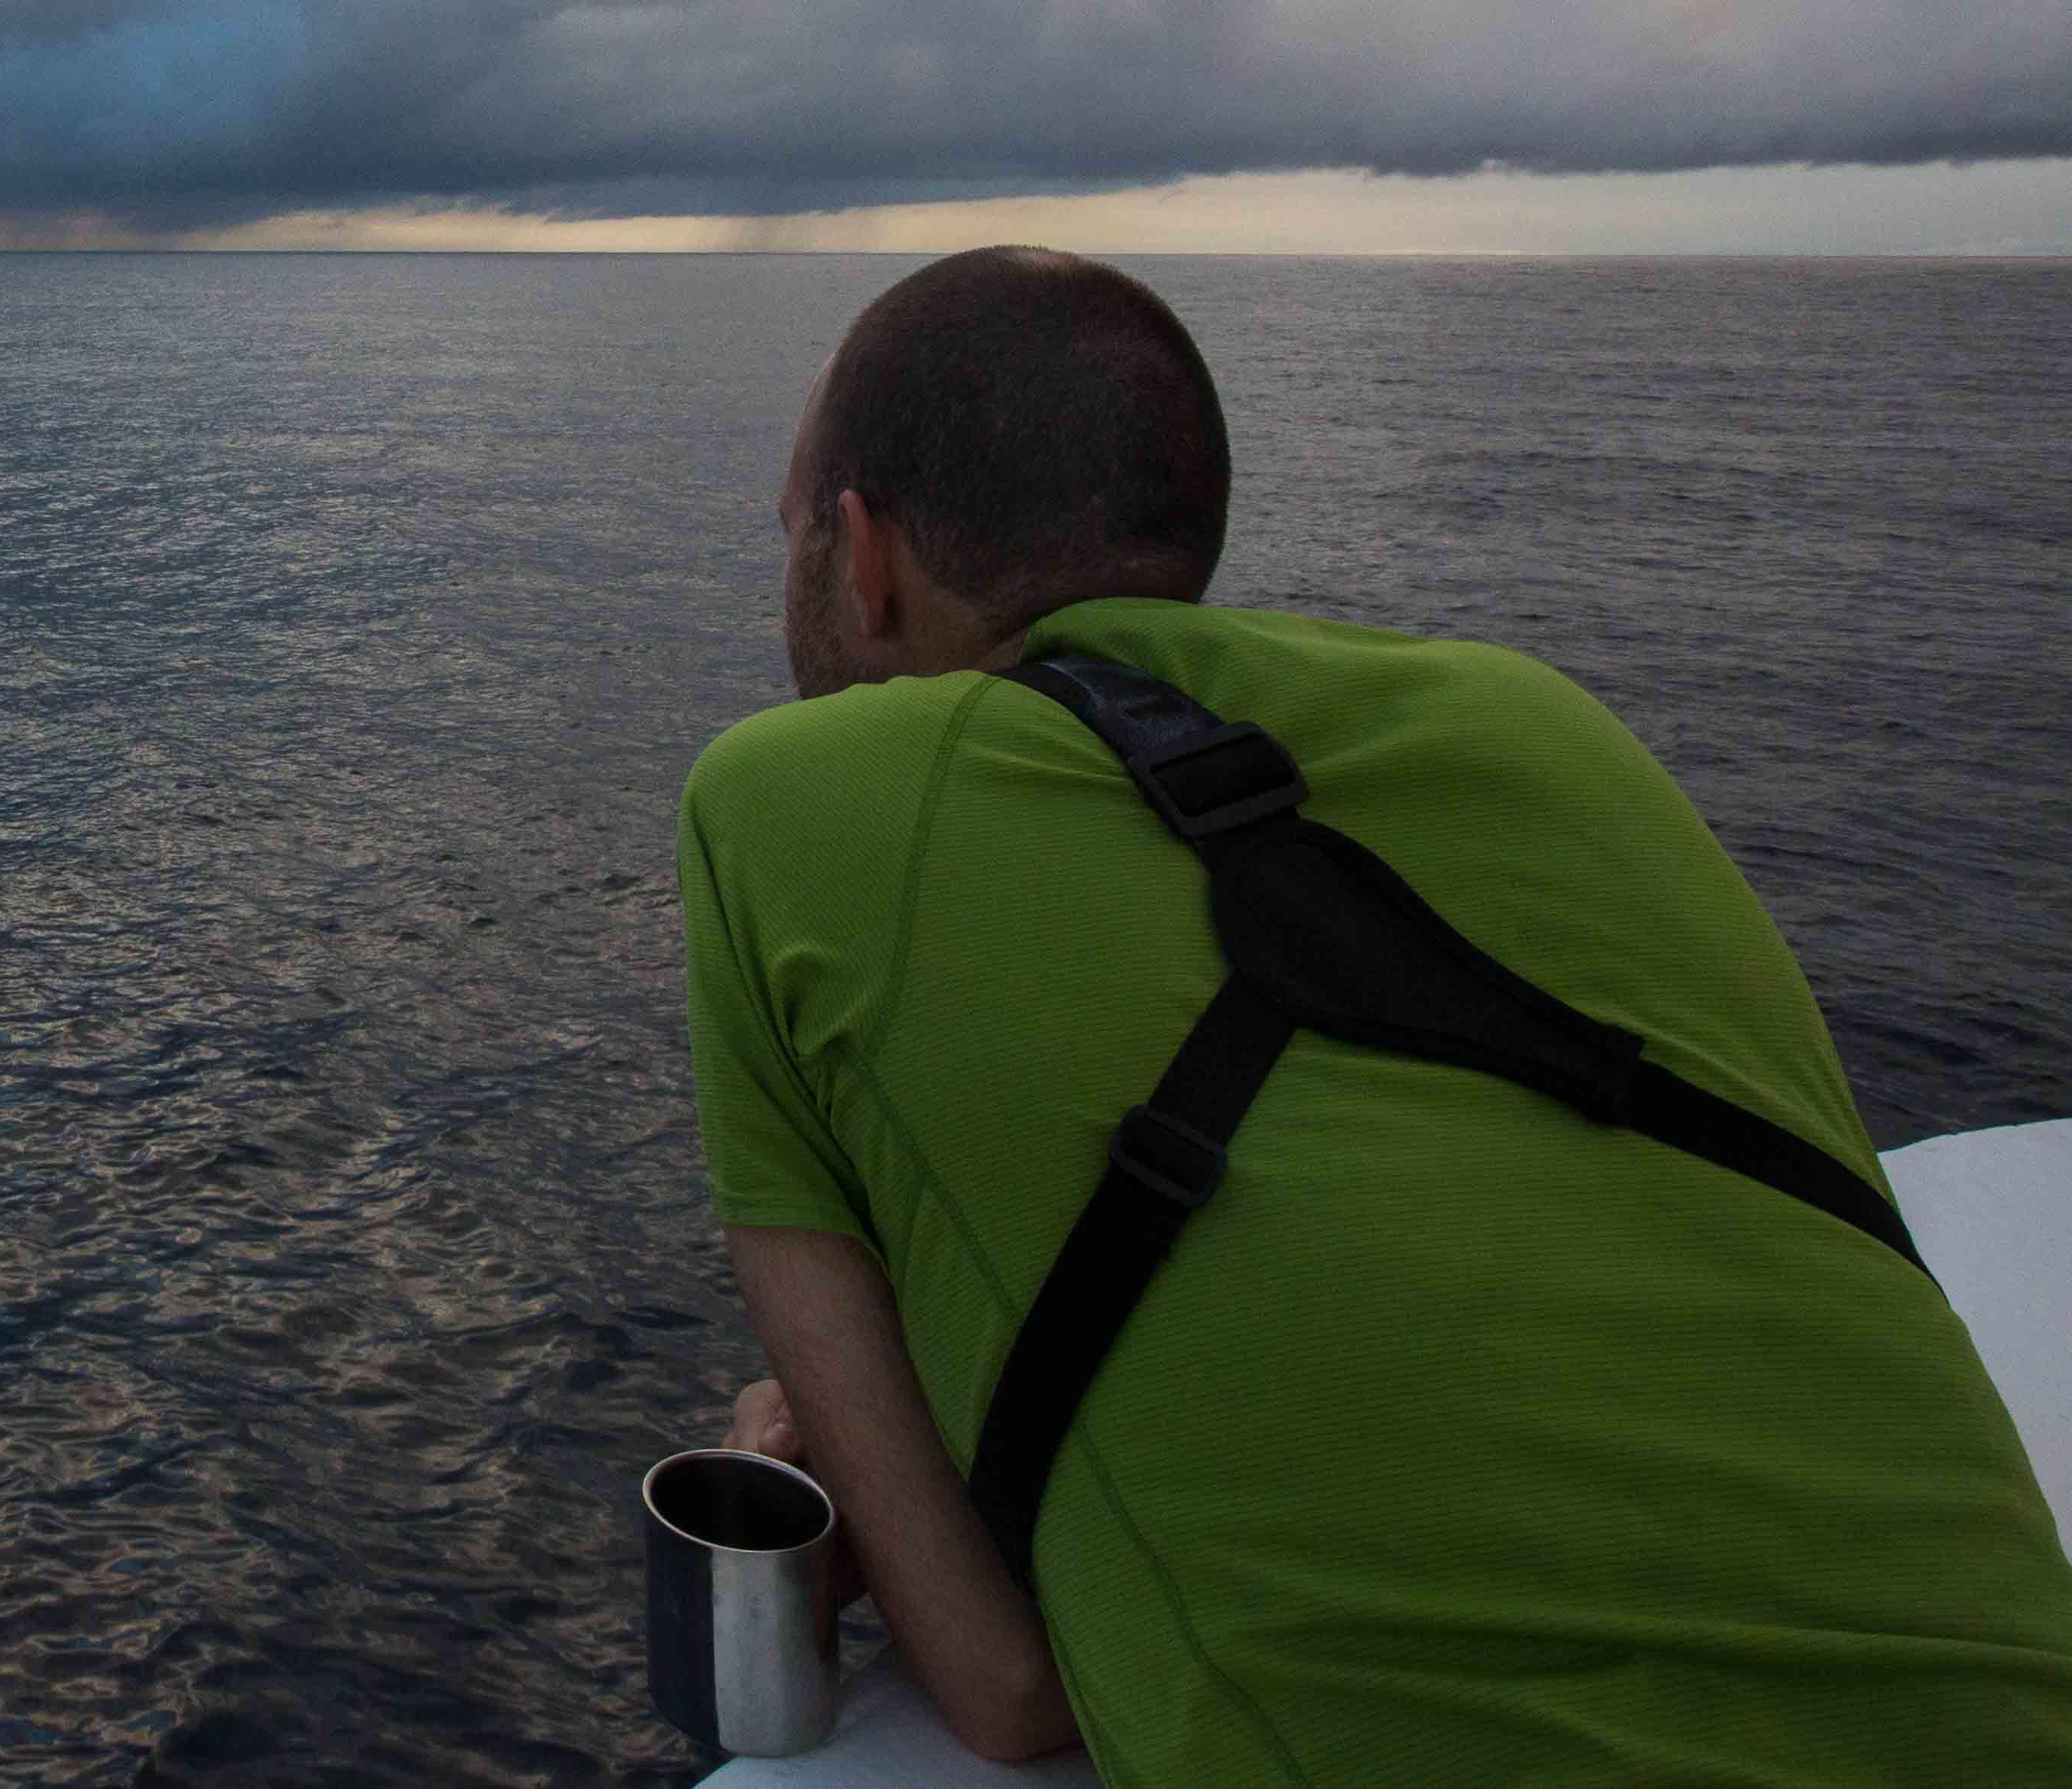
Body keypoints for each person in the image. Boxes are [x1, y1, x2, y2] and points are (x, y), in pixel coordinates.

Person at [676, 246, 2072, 1781]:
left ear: (864, 554)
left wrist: (870, 1460)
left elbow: (1008, 1685)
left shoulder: (776, 809)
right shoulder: (1553, 728)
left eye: (793, 531)